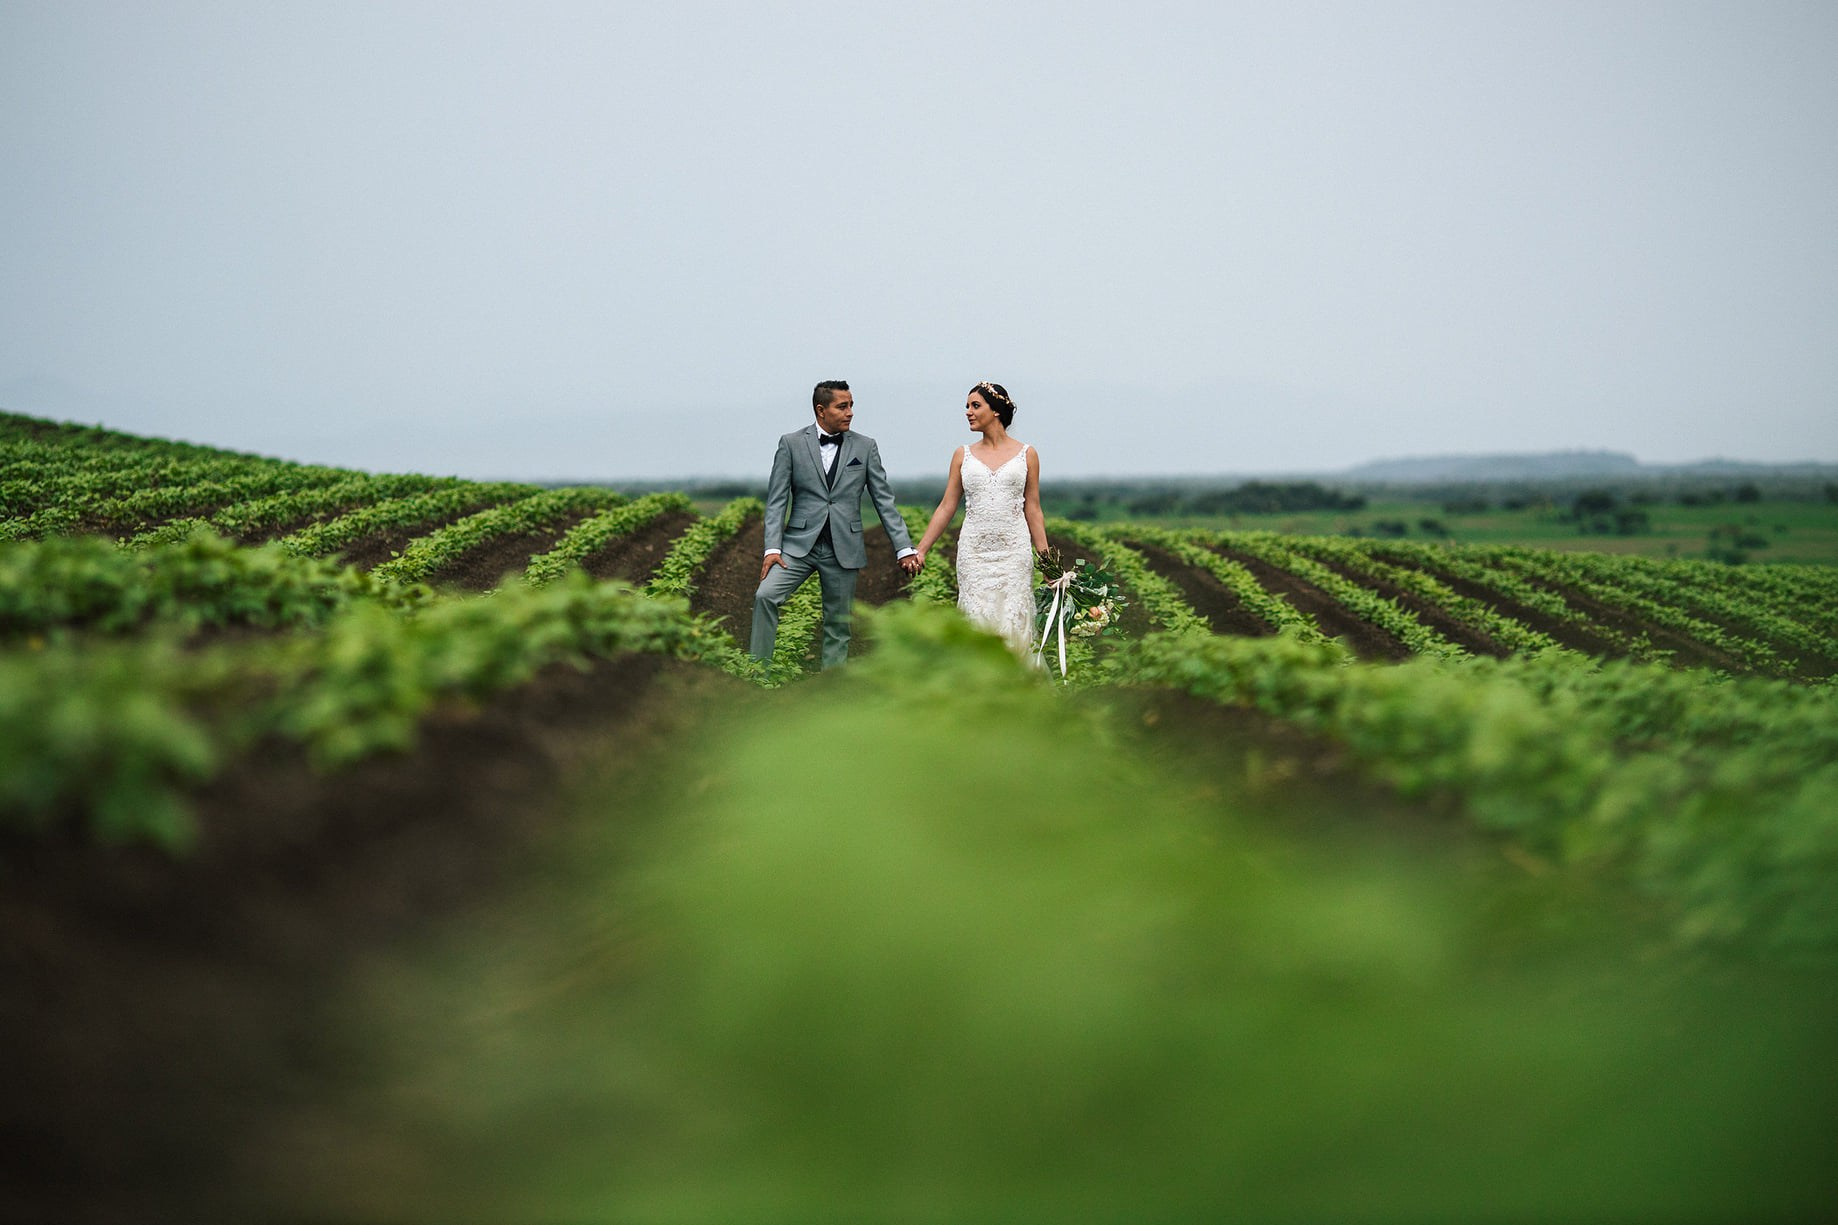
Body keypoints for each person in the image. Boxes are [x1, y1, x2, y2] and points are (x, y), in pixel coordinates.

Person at [751, 380, 920, 669]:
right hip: (797, 546)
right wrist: (772, 548)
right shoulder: (791, 443)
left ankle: (831, 685)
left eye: (851, 405)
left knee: (838, 623)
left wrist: (904, 548)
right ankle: (757, 671)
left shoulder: (865, 446)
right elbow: (777, 501)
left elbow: (884, 501)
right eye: (842, 406)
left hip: (844, 547)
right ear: (821, 410)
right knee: (765, 596)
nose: (850, 412)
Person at [911, 381, 1048, 656]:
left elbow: (1033, 509)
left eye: (975, 405)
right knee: (976, 619)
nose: (968, 412)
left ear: (995, 410)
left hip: (1014, 553)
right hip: (974, 553)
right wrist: (921, 549)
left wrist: (1048, 564)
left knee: (1013, 619)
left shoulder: (1027, 454)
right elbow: (947, 506)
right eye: (967, 406)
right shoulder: (962, 455)